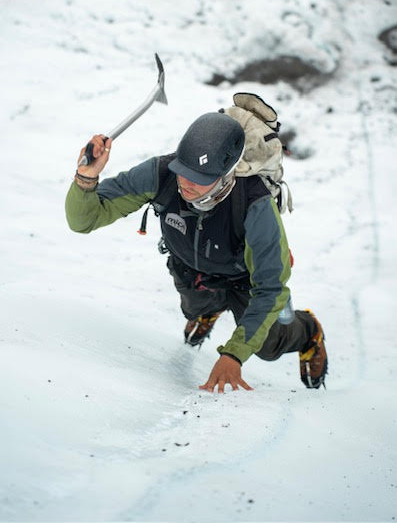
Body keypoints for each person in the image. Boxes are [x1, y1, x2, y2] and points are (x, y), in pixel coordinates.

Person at [65, 112, 328, 392]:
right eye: (183, 171)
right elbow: (85, 220)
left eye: (200, 177)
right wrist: (86, 178)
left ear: (226, 174)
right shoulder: (161, 173)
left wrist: (233, 354)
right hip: (192, 269)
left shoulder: (256, 204)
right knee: (193, 308)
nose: (186, 183)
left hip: (245, 280)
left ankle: (309, 331)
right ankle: (208, 309)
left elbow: (271, 288)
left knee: (267, 346)